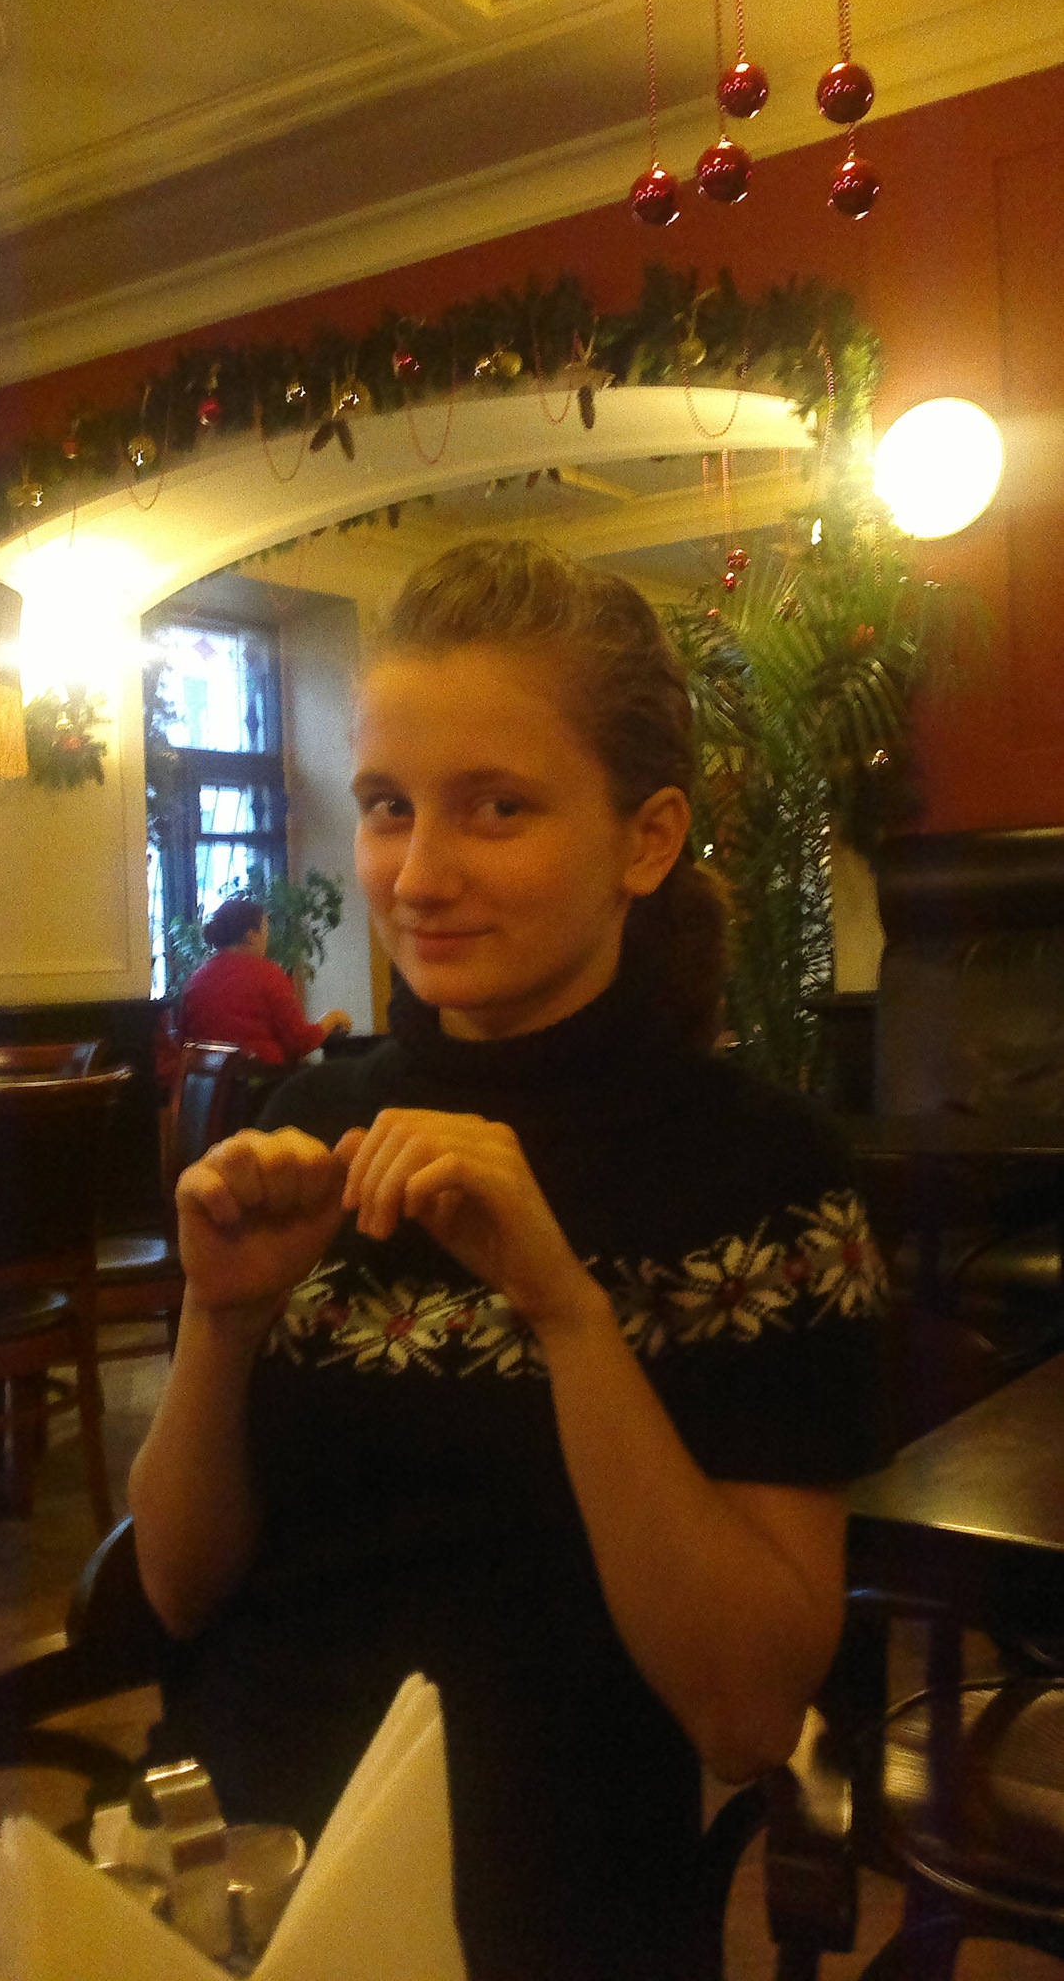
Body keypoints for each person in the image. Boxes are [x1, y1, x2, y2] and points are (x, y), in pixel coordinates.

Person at [129, 540, 887, 1981]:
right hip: (234, 1882)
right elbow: (177, 1588)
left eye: (497, 807)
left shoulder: (763, 1174)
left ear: (645, 841)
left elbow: (743, 1713)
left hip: (540, 1913)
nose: (418, 876)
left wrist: (565, 1309)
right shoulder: (312, 1122)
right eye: (389, 807)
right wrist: (219, 1323)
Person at [179, 895, 351, 1066]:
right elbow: (299, 1042)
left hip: (209, 1081)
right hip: (263, 1079)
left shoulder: (195, 980)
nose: (267, 939)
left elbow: (184, 1042)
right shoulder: (267, 975)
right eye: (265, 931)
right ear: (251, 935)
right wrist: (332, 1019)